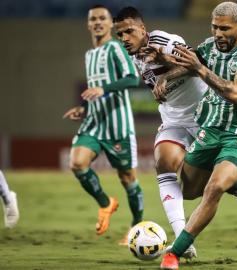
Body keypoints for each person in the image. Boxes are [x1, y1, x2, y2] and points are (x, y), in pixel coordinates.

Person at [113, 6, 237, 258]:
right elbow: (189, 64)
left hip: (206, 116)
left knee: (216, 183)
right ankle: (183, 239)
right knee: (167, 166)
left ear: (142, 29)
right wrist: (165, 76)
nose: (124, 38)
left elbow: (193, 63)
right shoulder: (135, 55)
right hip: (174, 120)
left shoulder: (166, 41)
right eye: (120, 34)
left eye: (128, 32)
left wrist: (165, 64)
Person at [158, 2, 237, 269]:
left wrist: (200, 69)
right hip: (212, 127)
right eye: (214, 27)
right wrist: (166, 76)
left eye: (225, 28)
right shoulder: (210, 45)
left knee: (214, 188)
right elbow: (192, 62)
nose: (218, 33)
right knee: (190, 191)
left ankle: (174, 253)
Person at [62, 5, 143, 238]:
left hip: (118, 125)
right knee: (77, 163)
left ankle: (136, 228)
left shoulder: (116, 48)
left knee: (127, 178)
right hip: (94, 122)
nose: (97, 22)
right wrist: (84, 108)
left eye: (102, 18)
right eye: (93, 19)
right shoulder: (90, 54)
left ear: (110, 24)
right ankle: (106, 202)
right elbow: (97, 91)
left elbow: (131, 78)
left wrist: (103, 88)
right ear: (88, 24)